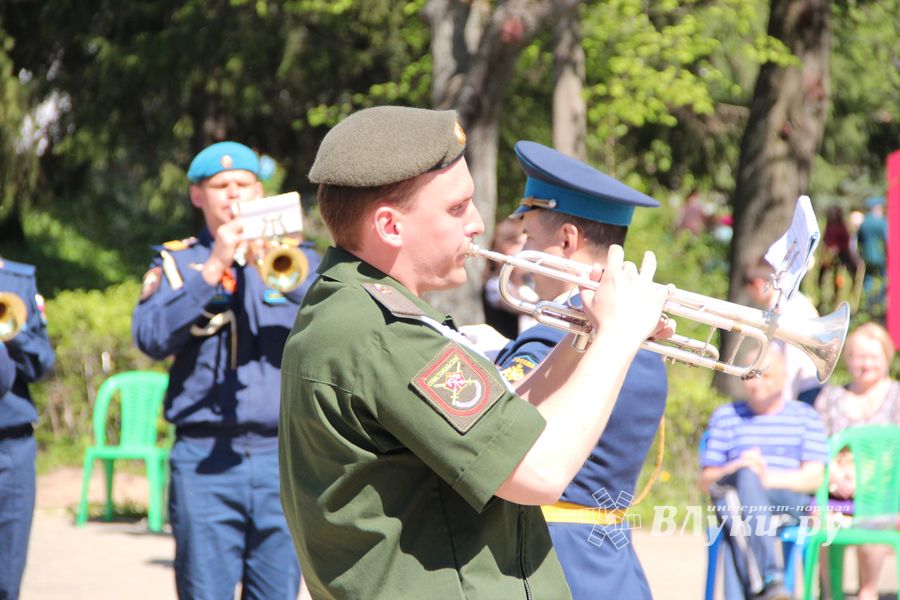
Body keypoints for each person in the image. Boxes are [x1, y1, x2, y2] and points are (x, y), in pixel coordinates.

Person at [278, 106, 671, 599]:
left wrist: (585, 334)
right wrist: (620, 336)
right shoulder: (386, 333)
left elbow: (504, 432)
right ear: (390, 226)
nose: (479, 224)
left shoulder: (364, 312)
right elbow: (540, 471)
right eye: (457, 208)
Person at [132, 141, 320, 599]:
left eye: (243, 183)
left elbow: (329, 327)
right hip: (205, 459)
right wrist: (214, 266)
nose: (233, 193)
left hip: (283, 456)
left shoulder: (299, 260)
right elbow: (151, 338)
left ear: (259, 190)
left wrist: (278, 272)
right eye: (221, 185)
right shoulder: (177, 264)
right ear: (198, 195)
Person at [492, 140, 667, 600]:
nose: (523, 256)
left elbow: (495, 440)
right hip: (612, 565)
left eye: (529, 237)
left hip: (546, 564)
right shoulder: (644, 342)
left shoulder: (550, 338)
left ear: (567, 240)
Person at [700, 346, 827, 600]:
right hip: (737, 503)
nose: (757, 383)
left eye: (765, 375)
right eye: (750, 375)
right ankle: (771, 581)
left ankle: (769, 581)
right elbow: (707, 481)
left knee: (732, 506)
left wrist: (763, 480)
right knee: (735, 501)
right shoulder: (725, 417)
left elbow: (814, 477)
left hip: (786, 502)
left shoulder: (805, 416)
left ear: (784, 377)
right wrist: (736, 468)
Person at [814, 322, 900, 600]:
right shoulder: (831, 396)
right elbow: (816, 444)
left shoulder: (897, 396)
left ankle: (868, 591)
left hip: (885, 493)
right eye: (859, 356)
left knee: (874, 510)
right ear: (848, 359)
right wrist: (835, 475)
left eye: (873, 357)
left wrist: (863, 479)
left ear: (886, 358)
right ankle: (830, 592)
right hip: (837, 492)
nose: (865, 364)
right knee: (819, 520)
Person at [0, 258, 55, 600]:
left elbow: (42, 364)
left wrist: (13, 331)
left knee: (7, 580)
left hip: (11, 444)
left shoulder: (17, 281)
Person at [743, 258, 822, 405]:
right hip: (801, 386)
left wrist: (785, 401)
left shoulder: (787, 308)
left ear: (757, 284)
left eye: (750, 292)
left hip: (801, 388)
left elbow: (793, 357)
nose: (752, 297)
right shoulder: (783, 305)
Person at [481, 216, 526, 339]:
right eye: (525, 244)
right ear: (509, 249)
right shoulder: (495, 285)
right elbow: (521, 307)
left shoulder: (528, 285)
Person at [817, 205, 861, 310]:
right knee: (822, 275)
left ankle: (837, 297)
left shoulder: (841, 227)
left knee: (839, 276)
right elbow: (825, 239)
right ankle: (822, 297)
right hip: (829, 254)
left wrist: (838, 248)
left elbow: (846, 241)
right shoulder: (829, 225)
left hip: (840, 255)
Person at [855, 196, 887, 314]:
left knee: (868, 279)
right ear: (877, 208)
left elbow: (859, 241)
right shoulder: (881, 222)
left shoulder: (864, 223)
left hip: (867, 256)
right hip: (880, 256)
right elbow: (888, 239)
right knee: (887, 278)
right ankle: (878, 300)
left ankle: (868, 303)